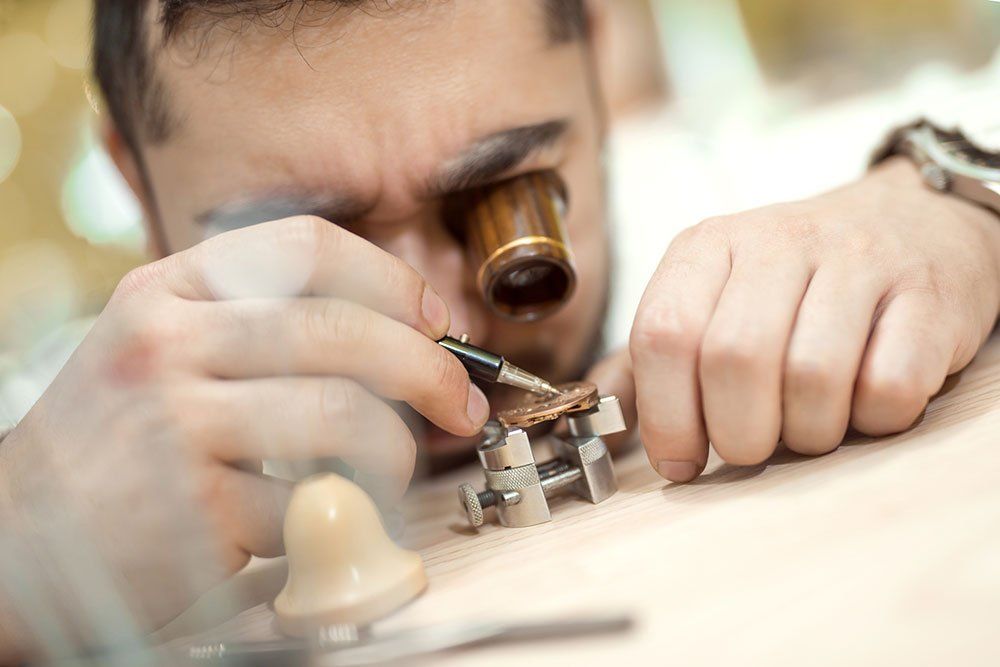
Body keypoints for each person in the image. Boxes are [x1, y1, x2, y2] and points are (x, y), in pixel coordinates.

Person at [1, 0, 998, 659]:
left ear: (599, 47)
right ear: (134, 178)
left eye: (503, 209)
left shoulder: (767, 183)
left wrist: (953, 206)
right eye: (307, 243)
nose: (429, 322)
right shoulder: (61, 436)